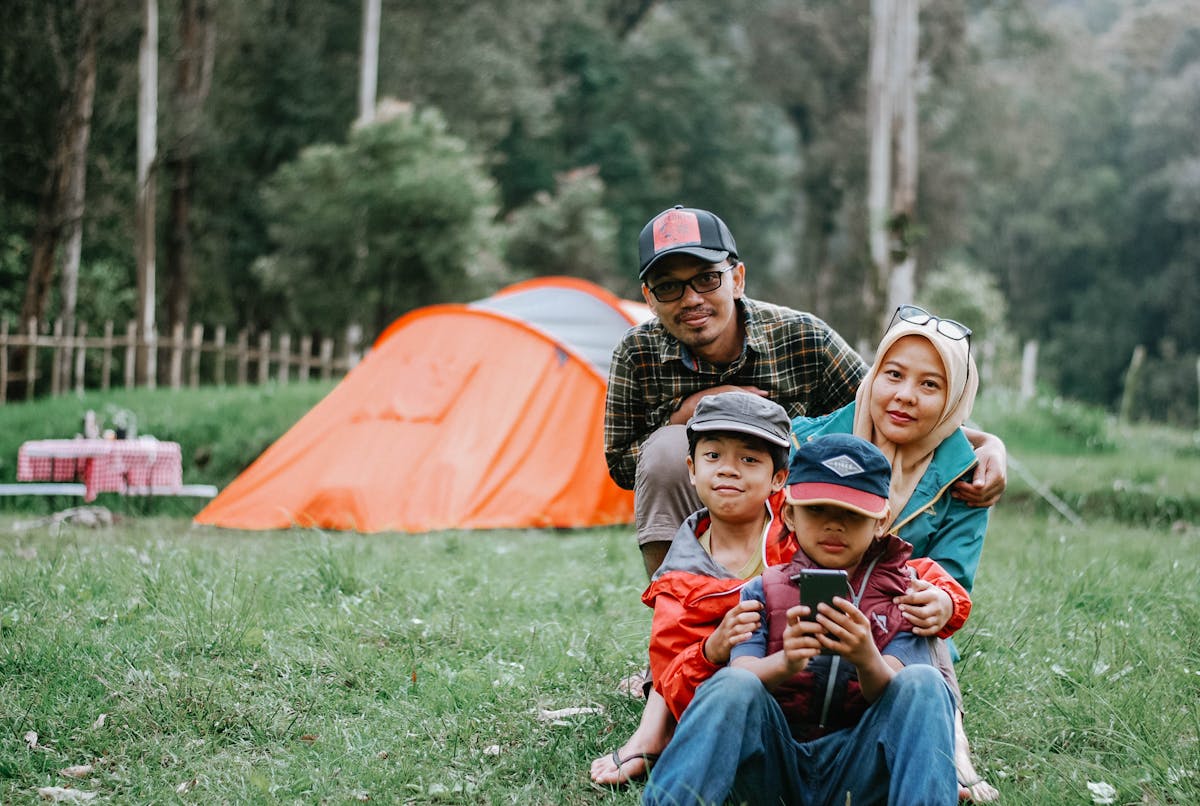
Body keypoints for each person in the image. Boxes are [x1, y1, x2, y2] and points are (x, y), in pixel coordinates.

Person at [604, 205, 1007, 580]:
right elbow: (623, 466)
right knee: (666, 452)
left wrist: (986, 443)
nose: (692, 299)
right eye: (669, 287)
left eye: (707, 279)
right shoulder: (637, 353)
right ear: (649, 299)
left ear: (737, 279)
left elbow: (884, 403)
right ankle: (677, 607)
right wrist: (687, 416)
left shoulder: (803, 337)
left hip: (795, 514)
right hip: (699, 499)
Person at [591, 391, 968, 787]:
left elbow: (909, 575)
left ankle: (953, 748)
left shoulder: (816, 541)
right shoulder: (692, 578)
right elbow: (678, 675)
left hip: (856, 733)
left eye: (749, 459)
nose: (729, 470)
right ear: (692, 468)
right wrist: (715, 650)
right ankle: (651, 738)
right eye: (713, 455)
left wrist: (946, 600)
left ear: (779, 480)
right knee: (731, 683)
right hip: (767, 729)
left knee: (921, 631)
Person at [791, 303, 999, 800]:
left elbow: (951, 579)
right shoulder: (809, 442)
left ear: (954, 400)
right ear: (873, 375)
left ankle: (951, 743)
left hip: (897, 634)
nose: (905, 395)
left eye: (930, 385)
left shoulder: (964, 477)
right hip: (804, 609)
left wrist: (941, 602)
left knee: (919, 605)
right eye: (894, 374)